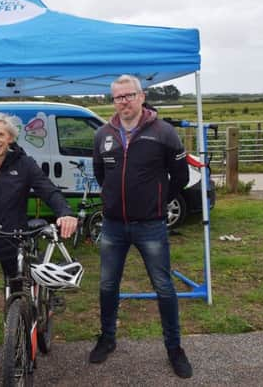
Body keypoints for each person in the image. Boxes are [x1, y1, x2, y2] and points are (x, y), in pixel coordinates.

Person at [0, 113, 78, 381]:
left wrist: (65, 212)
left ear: (10, 137)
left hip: (16, 240)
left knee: (21, 297)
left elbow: (48, 189)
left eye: (0, 135)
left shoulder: (24, 164)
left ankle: (22, 340)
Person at [91, 74, 192, 378]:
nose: (123, 102)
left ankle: (174, 348)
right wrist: (113, 202)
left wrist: (158, 204)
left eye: (128, 95)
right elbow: (101, 175)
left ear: (141, 96)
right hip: (113, 226)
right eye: (117, 97)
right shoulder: (103, 135)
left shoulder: (164, 132)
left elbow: (181, 177)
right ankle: (107, 339)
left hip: (151, 226)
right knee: (108, 286)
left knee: (163, 287)